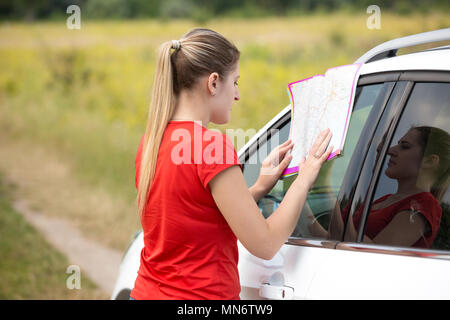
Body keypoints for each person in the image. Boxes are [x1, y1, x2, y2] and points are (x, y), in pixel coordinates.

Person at [129, 28, 334, 300]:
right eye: (235, 82)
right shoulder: (209, 146)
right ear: (213, 83)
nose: (237, 95)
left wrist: (260, 187)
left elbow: (197, 216)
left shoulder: (151, 142)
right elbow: (266, 243)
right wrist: (305, 179)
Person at [309, 126, 449, 249]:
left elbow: (369, 254)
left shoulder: (426, 205)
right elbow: (334, 239)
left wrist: (325, 182)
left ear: (430, 161)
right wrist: (300, 200)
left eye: (404, 146)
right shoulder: (384, 199)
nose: (390, 150)